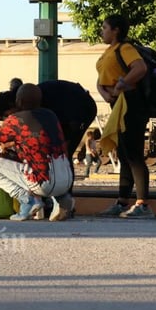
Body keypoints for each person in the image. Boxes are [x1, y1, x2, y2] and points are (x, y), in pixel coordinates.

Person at [0, 83, 73, 221]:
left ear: (19, 101)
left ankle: (28, 201)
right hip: (67, 179)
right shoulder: (50, 115)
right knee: (43, 162)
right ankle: (62, 199)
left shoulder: (15, 120)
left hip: (43, 183)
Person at [96, 14, 154, 219]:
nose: (102, 31)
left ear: (116, 30)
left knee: (134, 154)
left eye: (105, 27)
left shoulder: (125, 48)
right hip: (117, 104)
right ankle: (122, 201)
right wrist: (104, 93)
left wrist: (121, 84)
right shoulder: (108, 52)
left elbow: (140, 68)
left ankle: (143, 204)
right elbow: (102, 78)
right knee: (124, 153)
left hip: (131, 103)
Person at [37, 79, 98, 220]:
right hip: (71, 108)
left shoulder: (40, 103)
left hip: (80, 110)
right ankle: (58, 199)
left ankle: (65, 201)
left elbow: (69, 130)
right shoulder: (37, 100)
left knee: (64, 155)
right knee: (58, 154)